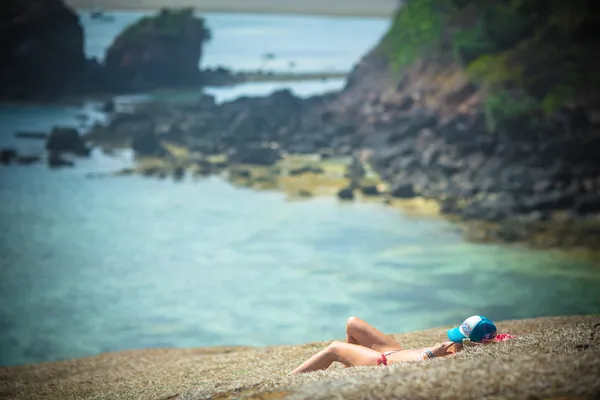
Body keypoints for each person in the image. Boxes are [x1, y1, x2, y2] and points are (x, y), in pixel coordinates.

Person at [291, 315, 497, 374]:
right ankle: (351, 366)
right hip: (395, 351)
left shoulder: (462, 356)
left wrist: (431, 355)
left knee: (334, 347)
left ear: (475, 341)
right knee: (353, 323)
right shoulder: (463, 346)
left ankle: (291, 379)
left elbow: (425, 372)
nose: (456, 339)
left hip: (382, 362)